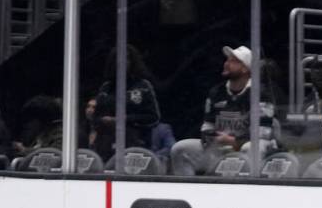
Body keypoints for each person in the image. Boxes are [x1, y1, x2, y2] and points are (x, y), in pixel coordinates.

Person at [170, 45, 276, 176]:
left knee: (251, 147)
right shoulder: (216, 92)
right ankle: (187, 191)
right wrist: (213, 138)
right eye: (227, 60)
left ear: (245, 69)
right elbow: (207, 126)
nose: (226, 63)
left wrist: (234, 141)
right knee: (180, 148)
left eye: (233, 61)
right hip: (220, 146)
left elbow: (263, 133)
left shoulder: (260, 93)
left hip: (247, 146)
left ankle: (249, 189)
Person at [91, 45, 161, 161]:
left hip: (136, 144)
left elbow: (154, 118)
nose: (122, 62)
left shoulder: (142, 86)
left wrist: (124, 119)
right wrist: (104, 120)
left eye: (127, 58)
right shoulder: (106, 87)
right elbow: (95, 118)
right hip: (106, 145)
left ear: (133, 61)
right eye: (117, 59)